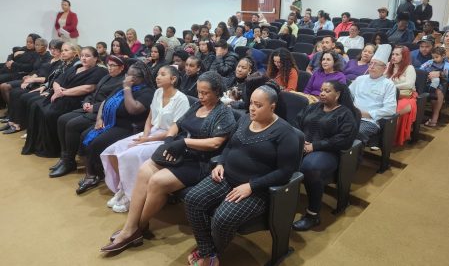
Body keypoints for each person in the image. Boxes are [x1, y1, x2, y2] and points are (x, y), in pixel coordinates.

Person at [100, 71, 236, 253]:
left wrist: (184, 142)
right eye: (199, 92)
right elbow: (177, 124)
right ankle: (131, 227)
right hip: (181, 152)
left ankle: (135, 228)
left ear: (217, 92)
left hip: (200, 162)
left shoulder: (223, 113)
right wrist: (171, 139)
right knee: (144, 171)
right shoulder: (196, 105)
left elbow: (215, 143)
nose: (201, 96)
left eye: (206, 93)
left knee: (157, 182)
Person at [184, 85, 300, 265]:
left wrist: (251, 186)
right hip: (227, 177)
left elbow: (285, 172)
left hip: (256, 190)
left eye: (259, 105)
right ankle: (209, 251)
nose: (252, 108)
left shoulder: (285, 133)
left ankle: (211, 252)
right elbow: (230, 145)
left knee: (223, 218)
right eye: (251, 103)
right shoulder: (245, 119)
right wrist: (221, 162)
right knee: (192, 199)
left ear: (272, 106)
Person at [101, 66, 190, 212]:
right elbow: (150, 116)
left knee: (130, 155)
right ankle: (124, 188)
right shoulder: (158, 92)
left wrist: (148, 139)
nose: (158, 77)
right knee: (112, 150)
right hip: (152, 132)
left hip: (167, 138)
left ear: (173, 79)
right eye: (158, 74)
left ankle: (132, 196)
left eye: (163, 74)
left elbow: (175, 130)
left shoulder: (181, 99)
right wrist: (145, 134)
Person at [77, 61, 156, 194]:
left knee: (97, 142)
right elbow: (105, 101)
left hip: (128, 127)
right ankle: (95, 172)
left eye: (129, 75)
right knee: (86, 134)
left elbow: (133, 109)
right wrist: (99, 118)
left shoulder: (147, 92)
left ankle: (92, 175)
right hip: (111, 122)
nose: (125, 77)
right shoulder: (122, 87)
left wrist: (127, 89)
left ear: (137, 79)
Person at [292, 81, 359, 231]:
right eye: (321, 90)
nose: (322, 93)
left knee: (310, 167)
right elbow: (296, 123)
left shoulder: (345, 114)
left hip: (329, 152)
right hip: (303, 146)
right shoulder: (312, 107)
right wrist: (301, 140)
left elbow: (344, 139)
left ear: (338, 95)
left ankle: (313, 215)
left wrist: (315, 146)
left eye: (327, 91)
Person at [49, 55, 126, 177]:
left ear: (121, 68)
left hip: (102, 112)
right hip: (89, 107)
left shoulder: (122, 82)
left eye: (113, 66)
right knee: (61, 119)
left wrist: (94, 107)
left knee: (72, 125)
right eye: (108, 65)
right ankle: (64, 157)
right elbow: (93, 93)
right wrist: (86, 102)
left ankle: (69, 161)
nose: (109, 68)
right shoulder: (106, 77)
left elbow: (112, 101)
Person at [30, 46, 108, 157]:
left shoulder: (99, 71)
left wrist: (62, 93)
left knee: (50, 113)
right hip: (60, 96)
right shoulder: (76, 67)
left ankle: (55, 149)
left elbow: (88, 88)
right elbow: (57, 80)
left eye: (88, 56)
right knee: (38, 107)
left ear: (95, 58)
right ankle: (40, 144)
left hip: (77, 99)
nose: (84, 58)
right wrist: (57, 89)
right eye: (82, 56)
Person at [20, 43, 81, 155]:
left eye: (66, 50)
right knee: (31, 102)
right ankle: (35, 135)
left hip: (64, 94)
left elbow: (68, 83)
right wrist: (45, 86)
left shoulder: (77, 65)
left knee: (36, 104)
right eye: (62, 50)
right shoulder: (64, 63)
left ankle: (41, 140)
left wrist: (51, 91)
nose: (63, 52)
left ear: (75, 53)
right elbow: (53, 78)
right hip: (52, 89)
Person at [3, 40, 64, 135]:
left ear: (61, 50)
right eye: (51, 49)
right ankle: (12, 120)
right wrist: (30, 78)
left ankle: (18, 123)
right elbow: (39, 70)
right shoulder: (51, 59)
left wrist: (32, 80)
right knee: (14, 92)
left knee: (19, 94)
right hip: (35, 81)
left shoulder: (60, 63)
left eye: (55, 49)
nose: (53, 51)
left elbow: (48, 78)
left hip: (42, 84)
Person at [349, 44, 397, 144]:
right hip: (351, 116)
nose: (372, 66)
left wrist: (368, 114)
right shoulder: (360, 79)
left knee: (354, 132)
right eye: (370, 63)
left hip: (370, 121)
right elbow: (347, 95)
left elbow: (390, 109)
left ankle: (354, 158)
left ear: (384, 68)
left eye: (376, 64)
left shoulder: (388, 84)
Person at [0, 36, 48, 109]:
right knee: (3, 84)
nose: (36, 47)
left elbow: (38, 70)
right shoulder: (35, 54)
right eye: (36, 45)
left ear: (45, 47)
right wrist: (12, 58)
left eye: (38, 45)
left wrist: (30, 76)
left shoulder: (44, 57)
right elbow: (12, 54)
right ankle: (9, 110)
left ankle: (12, 112)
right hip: (27, 75)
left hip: (32, 78)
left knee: (4, 86)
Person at [385, 46, 417, 146]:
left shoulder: (409, 68)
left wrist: (392, 86)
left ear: (404, 56)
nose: (393, 56)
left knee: (396, 109)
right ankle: (381, 135)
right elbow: (383, 80)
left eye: (397, 54)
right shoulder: (389, 65)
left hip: (407, 97)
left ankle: (391, 138)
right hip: (390, 95)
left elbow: (409, 84)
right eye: (393, 54)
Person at [420, 47, 449, 127]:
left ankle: (434, 119)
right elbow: (422, 68)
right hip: (428, 81)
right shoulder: (430, 62)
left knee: (437, 89)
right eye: (433, 57)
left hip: (441, 83)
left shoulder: (448, 66)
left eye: (436, 57)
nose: (434, 59)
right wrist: (426, 74)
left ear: (443, 56)